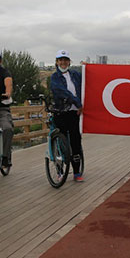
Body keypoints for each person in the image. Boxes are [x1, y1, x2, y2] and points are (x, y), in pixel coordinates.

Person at [49, 49, 84, 182]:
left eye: (65, 60)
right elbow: (61, 92)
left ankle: (76, 171)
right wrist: (77, 101)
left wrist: (87, 67)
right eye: (60, 60)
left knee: (75, 141)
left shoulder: (75, 75)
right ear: (57, 62)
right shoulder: (54, 78)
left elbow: (87, 81)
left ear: (69, 62)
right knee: (60, 143)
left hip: (74, 112)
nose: (63, 62)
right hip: (61, 112)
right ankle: (60, 171)